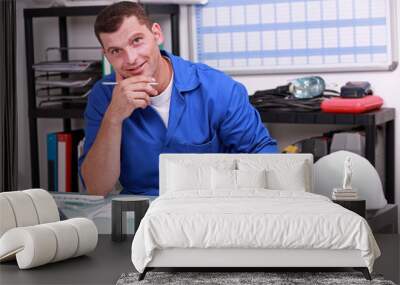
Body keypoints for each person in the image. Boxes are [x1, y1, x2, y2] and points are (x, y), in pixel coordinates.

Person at [79, 1, 278, 196]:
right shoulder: (103, 95)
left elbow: (262, 156)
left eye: (136, 40)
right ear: (106, 55)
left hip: (212, 206)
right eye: (116, 51)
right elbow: (97, 188)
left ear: (156, 34)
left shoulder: (217, 87)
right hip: (144, 214)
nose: (131, 59)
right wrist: (113, 118)